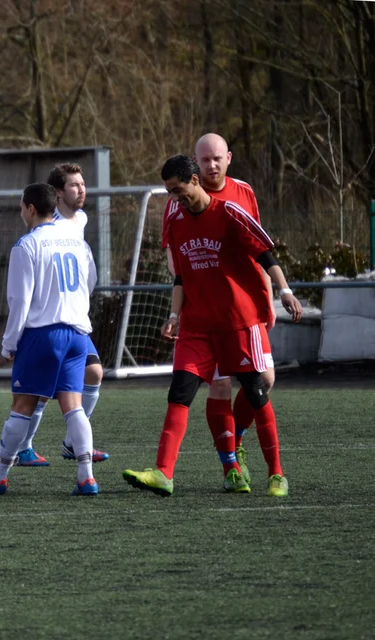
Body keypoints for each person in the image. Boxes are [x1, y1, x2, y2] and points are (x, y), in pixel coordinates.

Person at [123, 155, 301, 498]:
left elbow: (266, 254)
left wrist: (285, 291)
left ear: (194, 180)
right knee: (180, 390)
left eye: (178, 189)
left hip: (237, 322)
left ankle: (276, 473)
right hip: (197, 325)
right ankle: (163, 473)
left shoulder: (230, 212)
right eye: (169, 192)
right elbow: (180, 277)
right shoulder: (177, 222)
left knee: (256, 391)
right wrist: (174, 315)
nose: (175, 198)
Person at [162, 133, 274, 484]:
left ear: (228, 158)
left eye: (217, 159)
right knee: (220, 386)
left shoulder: (242, 193)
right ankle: (230, 463)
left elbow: (257, 248)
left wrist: (271, 292)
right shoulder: (176, 203)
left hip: (243, 307)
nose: (212, 165)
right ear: (196, 163)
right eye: (204, 159)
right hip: (205, 312)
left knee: (264, 381)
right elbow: (176, 260)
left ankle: (237, 439)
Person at [0, 183, 100, 496]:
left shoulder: (27, 245)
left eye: (21, 206)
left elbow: (19, 301)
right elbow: (89, 282)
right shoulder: (78, 242)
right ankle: (86, 477)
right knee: (73, 406)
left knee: (22, 405)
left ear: (30, 208)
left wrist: (9, 344)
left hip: (44, 334)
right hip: (79, 334)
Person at [12, 163, 110, 468]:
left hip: (72, 318)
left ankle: (73, 443)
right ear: (57, 193)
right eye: (73, 185)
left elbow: (87, 272)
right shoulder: (46, 224)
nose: (81, 190)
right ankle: (23, 447)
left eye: (82, 184)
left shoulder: (80, 219)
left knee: (93, 373)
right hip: (48, 320)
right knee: (38, 392)